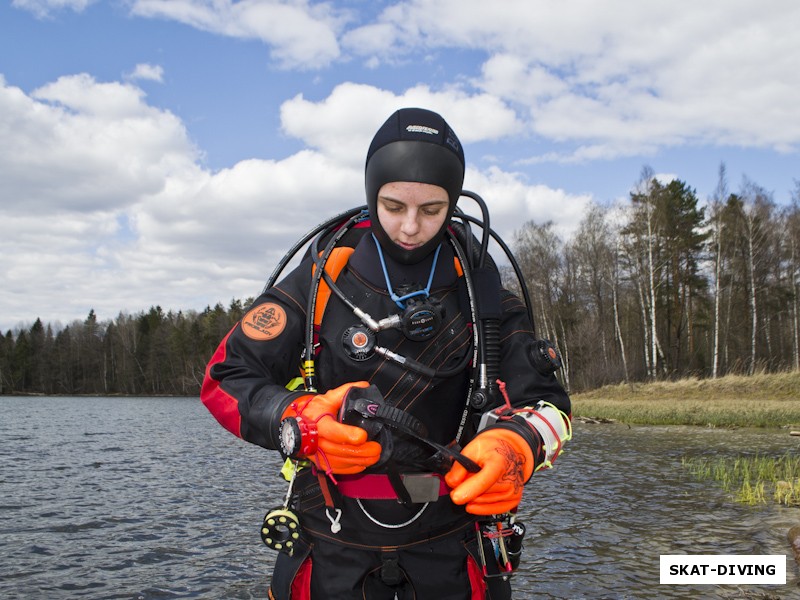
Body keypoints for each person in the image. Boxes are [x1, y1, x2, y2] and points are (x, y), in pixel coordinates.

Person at [201, 107, 572, 599]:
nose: (411, 227)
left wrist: (518, 446)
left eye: (432, 209)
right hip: (328, 536)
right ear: (371, 191)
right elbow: (226, 376)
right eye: (393, 206)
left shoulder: (480, 284)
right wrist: (299, 421)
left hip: (453, 545)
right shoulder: (325, 273)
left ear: (454, 201)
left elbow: (551, 406)